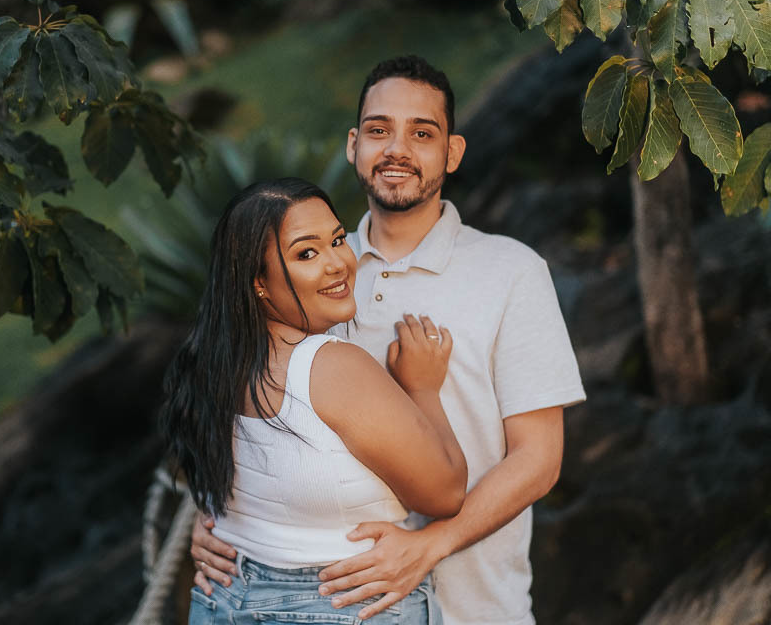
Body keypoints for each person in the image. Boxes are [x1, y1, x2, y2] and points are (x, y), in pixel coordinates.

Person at [190, 56, 586, 624]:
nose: (397, 149)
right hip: (335, 604)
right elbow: (253, 411)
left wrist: (430, 546)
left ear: (452, 152)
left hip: (477, 606)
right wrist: (217, 519)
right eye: (379, 130)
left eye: (422, 134)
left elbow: (539, 460)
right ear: (354, 145)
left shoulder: (511, 271)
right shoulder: (314, 272)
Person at [162, 177, 469, 623]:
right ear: (259, 283)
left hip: (223, 598)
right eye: (306, 253)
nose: (337, 264)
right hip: (337, 603)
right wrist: (422, 388)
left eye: (338, 240)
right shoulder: (332, 367)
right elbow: (446, 493)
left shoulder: (213, 361)